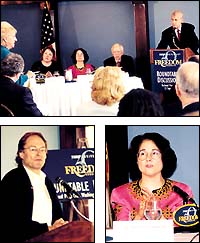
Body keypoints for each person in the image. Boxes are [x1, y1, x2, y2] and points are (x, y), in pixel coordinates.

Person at [110, 132, 195, 225]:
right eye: (142, 153)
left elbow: (185, 233)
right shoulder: (120, 194)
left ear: (164, 158)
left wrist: (157, 215)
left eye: (154, 153)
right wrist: (139, 215)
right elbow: (122, 234)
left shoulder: (182, 192)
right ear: (136, 160)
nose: (148, 158)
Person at [1, 132, 68, 242]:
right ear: (21, 154)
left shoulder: (47, 182)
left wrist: (60, 225)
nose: (39, 154)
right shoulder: (13, 179)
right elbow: (11, 221)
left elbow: (57, 216)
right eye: (33, 149)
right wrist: (47, 228)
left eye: (42, 150)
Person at [1, 21, 34, 85]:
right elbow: (14, 82)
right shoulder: (6, 55)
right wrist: (27, 76)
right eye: (13, 36)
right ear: (5, 39)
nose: (16, 39)